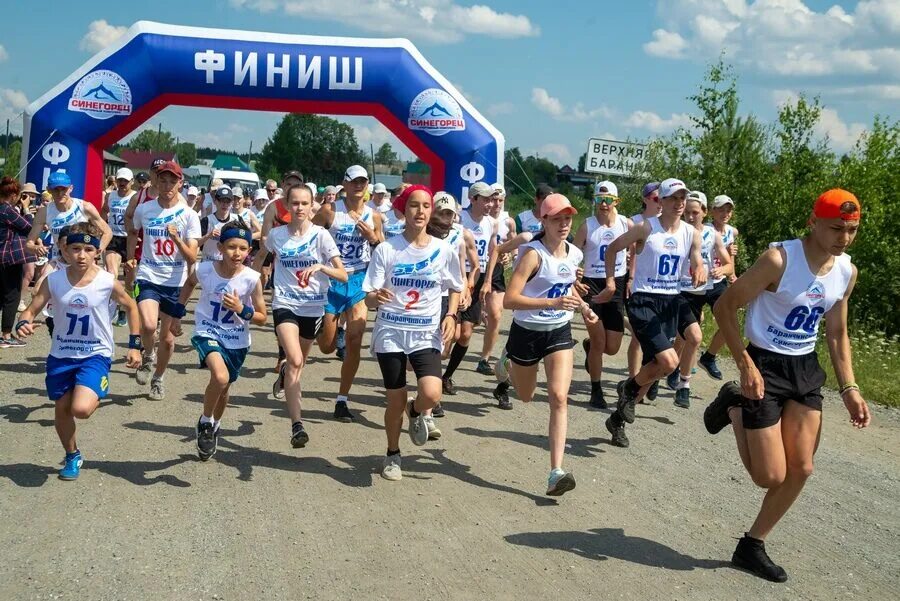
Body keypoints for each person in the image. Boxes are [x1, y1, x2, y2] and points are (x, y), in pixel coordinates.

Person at [704, 189, 870, 583]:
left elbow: (836, 331)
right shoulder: (779, 259)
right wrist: (744, 365)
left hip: (805, 370)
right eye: (836, 228)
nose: (844, 238)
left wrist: (850, 387)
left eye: (852, 230)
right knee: (769, 476)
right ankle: (734, 404)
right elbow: (724, 306)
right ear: (813, 223)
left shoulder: (846, 270)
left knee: (803, 467)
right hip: (764, 364)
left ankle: (752, 545)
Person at [15, 222, 142, 480]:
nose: (81, 255)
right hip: (61, 354)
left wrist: (134, 345)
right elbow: (32, 308)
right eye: (75, 249)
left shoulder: (107, 282)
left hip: (95, 353)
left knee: (81, 409)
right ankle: (72, 455)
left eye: (87, 249)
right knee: (62, 408)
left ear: (97, 251)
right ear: (64, 249)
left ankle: (95, 386)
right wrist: (23, 321)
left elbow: (131, 306)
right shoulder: (54, 280)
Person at [595, 178, 706, 448]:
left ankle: (619, 415)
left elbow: (696, 256)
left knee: (692, 338)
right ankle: (630, 390)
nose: (680, 203)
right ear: (661, 201)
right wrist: (611, 282)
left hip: (673, 299)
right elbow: (612, 249)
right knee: (666, 364)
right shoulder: (646, 227)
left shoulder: (691, 232)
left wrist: (699, 267)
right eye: (674, 198)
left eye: (683, 198)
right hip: (645, 300)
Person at [498, 193, 597, 495]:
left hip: (558, 331)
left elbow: (566, 288)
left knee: (558, 396)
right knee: (526, 396)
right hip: (527, 332)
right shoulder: (532, 255)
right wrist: (552, 300)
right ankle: (508, 362)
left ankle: (556, 471)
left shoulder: (575, 254)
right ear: (544, 220)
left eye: (568, 218)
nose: (564, 224)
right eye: (557, 219)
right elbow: (509, 300)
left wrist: (583, 306)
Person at [363, 185, 462, 481]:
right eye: (414, 206)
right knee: (394, 401)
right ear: (403, 211)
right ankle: (393, 453)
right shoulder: (387, 249)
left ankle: (416, 411)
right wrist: (375, 298)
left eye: (426, 206)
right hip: (391, 332)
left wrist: (452, 314)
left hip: (425, 333)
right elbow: (368, 296)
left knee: (432, 393)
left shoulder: (443, 250)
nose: (420, 212)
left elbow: (456, 286)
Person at [253, 184, 347, 447]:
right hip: (285, 303)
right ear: (287, 204)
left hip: (314, 307)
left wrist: (322, 267)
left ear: (312, 205)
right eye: (295, 203)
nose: (300, 208)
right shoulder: (276, 235)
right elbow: (259, 258)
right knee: (294, 359)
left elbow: (343, 274)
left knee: (297, 365)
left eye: (305, 203)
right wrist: (244, 284)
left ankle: (284, 374)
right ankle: (297, 425)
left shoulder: (321, 236)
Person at [171, 220, 266, 461]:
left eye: (243, 248)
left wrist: (242, 309)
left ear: (249, 251)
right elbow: (189, 284)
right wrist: (178, 315)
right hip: (208, 331)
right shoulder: (204, 269)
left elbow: (262, 317)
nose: (237, 253)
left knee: (224, 389)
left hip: (236, 339)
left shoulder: (252, 278)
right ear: (221, 247)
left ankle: (214, 425)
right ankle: (204, 422)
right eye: (232, 247)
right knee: (220, 377)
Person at [313, 165, 384, 422]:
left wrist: (373, 237)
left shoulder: (374, 216)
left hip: (358, 280)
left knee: (356, 338)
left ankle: (342, 399)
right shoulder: (330, 212)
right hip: (332, 281)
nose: (359, 186)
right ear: (344, 183)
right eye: (354, 181)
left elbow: (383, 250)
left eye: (363, 182)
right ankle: (325, 333)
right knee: (326, 347)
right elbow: (310, 237)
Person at [127, 161, 201, 400]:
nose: (167, 185)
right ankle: (148, 356)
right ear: (155, 182)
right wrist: (130, 259)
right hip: (149, 275)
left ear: (180, 183)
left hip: (175, 282)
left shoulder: (189, 215)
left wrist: (177, 239)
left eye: (173, 181)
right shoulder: (144, 209)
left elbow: (192, 256)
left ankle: (158, 377)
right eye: (163, 180)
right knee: (148, 326)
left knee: (168, 339)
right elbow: (133, 231)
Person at [667, 191, 732, 408]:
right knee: (686, 338)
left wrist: (721, 269)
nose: (691, 217)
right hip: (683, 291)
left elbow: (729, 264)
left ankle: (686, 381)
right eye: (687, 213)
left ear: (704, 212)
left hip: (709, 286)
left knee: (727, 319)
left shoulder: (713, 234)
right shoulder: (677, 232)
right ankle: (668, 372)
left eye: (695, 212)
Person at [573, 180, 632, 408]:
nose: (603, 204)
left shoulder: (625, 224)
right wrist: (575, 278)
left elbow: (635, 250)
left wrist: (631, 275)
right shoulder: (587, 226)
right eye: (599, 199)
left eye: (608, 200)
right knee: (599, 341)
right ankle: (596, 391)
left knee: (613, 347)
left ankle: (589, 348)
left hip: (615, 283)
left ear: (616, 201)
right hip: (592, 285)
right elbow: (574, 254)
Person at [423, 191, 477, 422]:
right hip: (428, 295)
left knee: (445, 347)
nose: (446, 217)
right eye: (442, 212)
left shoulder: (458, 234)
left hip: (450, 296)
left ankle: (430, 382)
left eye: (450, 213)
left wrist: (465, 288)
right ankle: (431, 400)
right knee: (432, 348)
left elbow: (462, 265)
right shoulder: (422, 232)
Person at [439, 182, 494, 394]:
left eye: (492, 199)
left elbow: (485, 255)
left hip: (470, 281)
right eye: (485, 199)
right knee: (451, 336)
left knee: (465, 334)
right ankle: (433, 363)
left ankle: (447, 376)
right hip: (449, 283)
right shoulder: (459, 222)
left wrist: (472, 281)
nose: (489, 203)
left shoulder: (490, 223)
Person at [26, 171, 112, 269]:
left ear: (71, 188)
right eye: (55, 189)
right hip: (59, 260)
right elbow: (29, 243)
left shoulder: (85, 207)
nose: (60, 193)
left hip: (83, 261)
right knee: (41, 282)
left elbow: (107, 232)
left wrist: (96, 251)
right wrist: (36, 248)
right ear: (48, 190)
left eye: (64, 189)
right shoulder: (44, 212)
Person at [626, 181, 662, 401]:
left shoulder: (666, 223)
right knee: (638, 337)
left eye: (662, 199)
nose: (660, 203)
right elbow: (629, 254)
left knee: (661, 339)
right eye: (657, 199)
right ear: (646, 199)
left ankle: (651, 377)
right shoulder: (635, 223)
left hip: (661, 289)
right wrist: (629, 278)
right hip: (638, 284)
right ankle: (633, 380)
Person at [697, 194, 740, 379]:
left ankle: (709, 356)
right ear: (712, 212)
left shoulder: (732, 231)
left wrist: (732, 273)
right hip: (698, 282)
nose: (725, 213)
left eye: (728, 210)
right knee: (690, 329)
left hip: (717, 282)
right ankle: (674, 368)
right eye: (721, 209)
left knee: (730, 323)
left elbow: (729, 256)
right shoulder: (704, 229)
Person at [476, 183, 516, 377]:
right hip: (475, 271)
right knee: (470, 319)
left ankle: (485, 358)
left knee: (496, 314)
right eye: (494, 199)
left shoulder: (508, 221)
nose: (497, 204)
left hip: (496, 270)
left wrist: (509, 255)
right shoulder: (479, 218)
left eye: (501, 200)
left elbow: (513, 245)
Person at [0, 178, 36, 347]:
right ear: (14, 195)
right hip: (7, 258)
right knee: (12, 296)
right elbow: (30, 226)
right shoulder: (7, 210)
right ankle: (6, 336)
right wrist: (27, 208)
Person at [100, 168, 136, 326]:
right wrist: (101, 229)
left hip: (130, 239)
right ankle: (111, 307)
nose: (122, 184)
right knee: (111, 274)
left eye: (125, 181)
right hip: (113, 237)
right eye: (120, 180)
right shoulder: (110, 196)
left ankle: (124, 309)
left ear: (131, 182)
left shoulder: (136, 197)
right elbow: (104, 211)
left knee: (129, 281)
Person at [199, 187, 238, 261]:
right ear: (215, 201)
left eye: (227, 202)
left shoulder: (237, 219)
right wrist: (208, 235)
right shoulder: (206, 220)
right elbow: (196, 243)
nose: (224, 204)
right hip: (208, 262)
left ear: (232, 203)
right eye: (221, 201)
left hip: (228, 263)